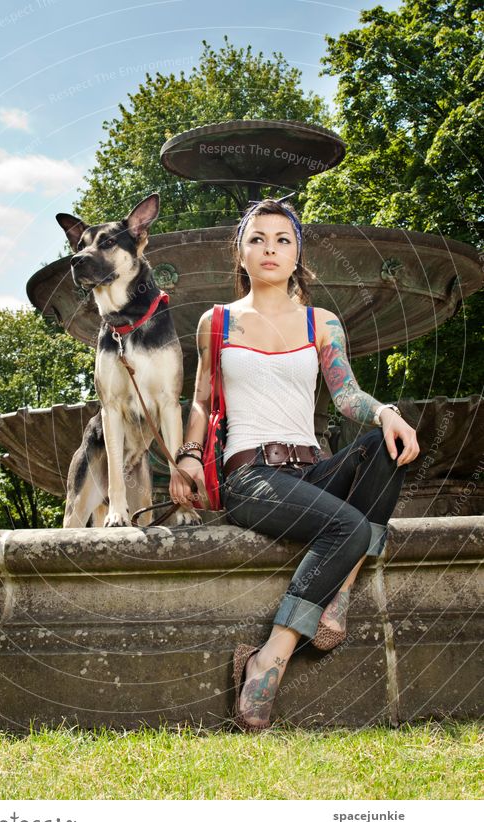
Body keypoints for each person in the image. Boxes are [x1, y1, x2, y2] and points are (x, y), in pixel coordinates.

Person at [169, 195, 420, 731]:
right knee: (346, 524)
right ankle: (271, 657)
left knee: (384, 444)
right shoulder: (216, 323)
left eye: (282, 240)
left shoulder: (321, 324)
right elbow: (202, 401)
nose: (269, 249)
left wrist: (387, 413)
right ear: (240, 254)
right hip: (251, 477)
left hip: (311, 470)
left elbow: (349, 397)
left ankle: (341, 583)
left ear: (296, 253)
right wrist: (189, 459)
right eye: (257, 239)